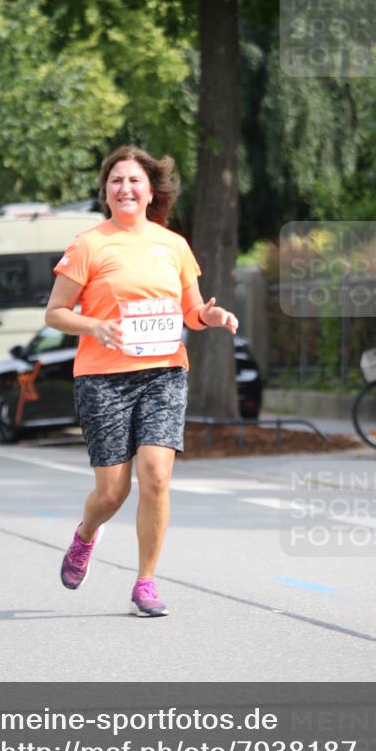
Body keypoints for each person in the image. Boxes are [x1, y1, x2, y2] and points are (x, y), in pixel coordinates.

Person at [45, 146, 238, 617]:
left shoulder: (173, 245)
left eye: (134, 181)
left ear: (152, 191)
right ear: (106, 191)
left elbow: (191, 311)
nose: (125, 188)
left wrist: (209, 315)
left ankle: (145, 583)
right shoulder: (88, 245)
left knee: (155, 476)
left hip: (164, 373)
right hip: (103, 378)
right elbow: (55, 313)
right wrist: (93, 326)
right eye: (116, 181)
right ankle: (85, 535)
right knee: (113, 491)